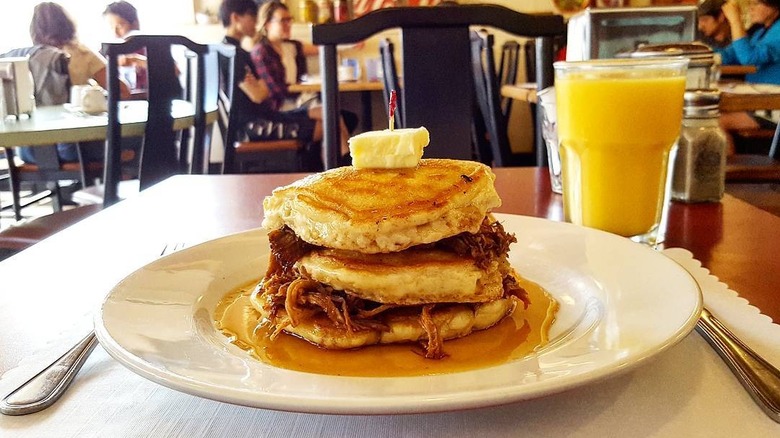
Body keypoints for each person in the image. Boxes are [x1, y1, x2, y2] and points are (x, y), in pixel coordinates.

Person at [219, 0, 349, 170]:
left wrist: (259, 85)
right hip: (254, 126)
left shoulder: (227, 50)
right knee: (330, 126)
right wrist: (260, 86)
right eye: (252, 16)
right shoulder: (235, 54)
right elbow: (259, 95)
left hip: (261, 119)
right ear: (235, 18)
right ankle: (341, 174)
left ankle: (340, 173)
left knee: (331, 116)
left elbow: (262, 90)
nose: (256, 22)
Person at [19, 2, 130, 164]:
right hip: (72, 149)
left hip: (29, 150)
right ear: (68, 24)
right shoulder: (81, 52)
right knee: (131, 142)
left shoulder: (27, 58)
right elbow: (122, 91)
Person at [717, 0, 780, 153]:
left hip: (773, 107)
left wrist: (735, 21)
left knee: (717, 122)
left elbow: (749, 57)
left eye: (756, 4)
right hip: (760, 101)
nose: (751, 9)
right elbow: (729, 55)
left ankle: (732, 173)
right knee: (712, 114)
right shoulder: (760, 32)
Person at [103, 1, 147, 92]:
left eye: (119, 26)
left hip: (150, 96)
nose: (115, 33)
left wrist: (136, 60)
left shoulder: (151, 45)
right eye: (111, 27)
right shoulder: (110, 49)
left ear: (135, 24)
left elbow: (174, 70)